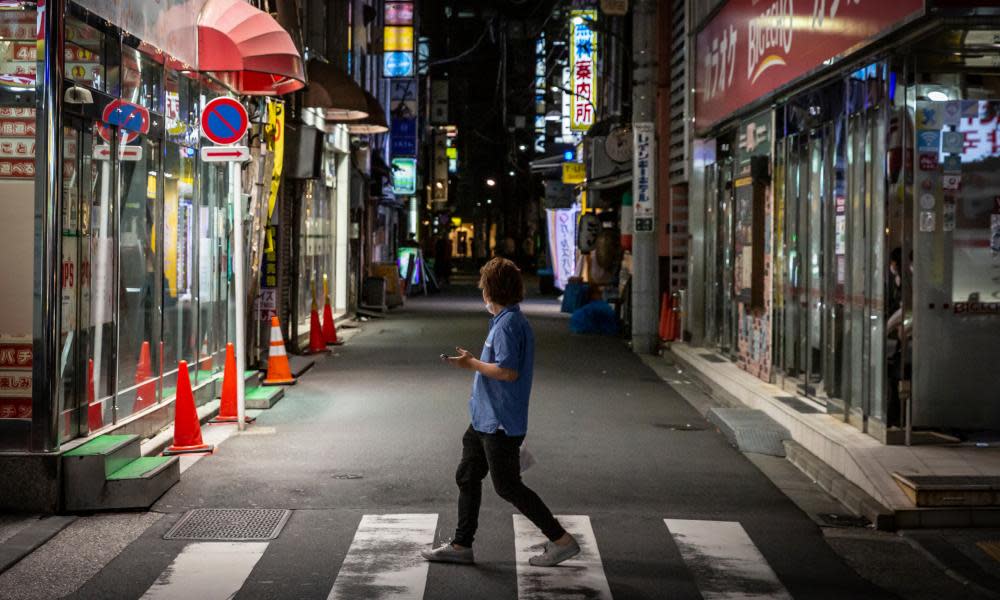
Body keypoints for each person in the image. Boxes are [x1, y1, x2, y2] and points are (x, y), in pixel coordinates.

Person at [421, 257, 580, 567]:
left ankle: (561, 540)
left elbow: (507, 372)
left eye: (483, 286)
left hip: (499, 423)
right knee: (467, 475)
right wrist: (470, 362)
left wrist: (471, 364)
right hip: (485, 417)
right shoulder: (505, 320)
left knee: (507, 486)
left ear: (488, 290)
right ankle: (461, 544)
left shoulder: (508, 324)